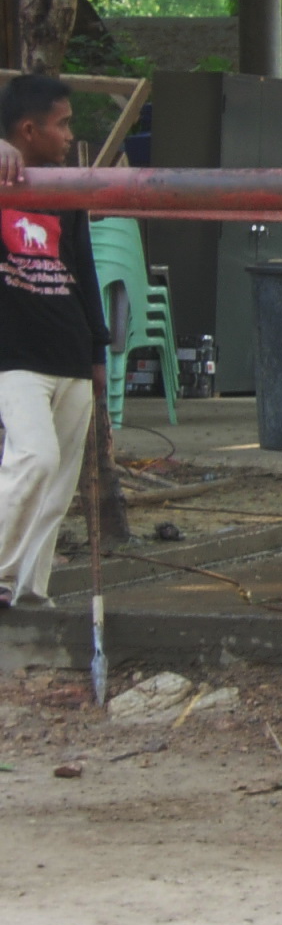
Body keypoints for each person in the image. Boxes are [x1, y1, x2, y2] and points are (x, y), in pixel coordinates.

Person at [0, 75, 109, 608]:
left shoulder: (66, 189)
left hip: (69, 350)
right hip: (14, 356)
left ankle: (27, 593)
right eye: (62, 123)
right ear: (27, 129)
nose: (70, 134)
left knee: (58, 487)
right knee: (34, 459)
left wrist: (97, 350)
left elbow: (83, 270)